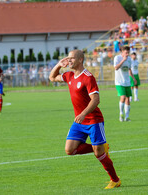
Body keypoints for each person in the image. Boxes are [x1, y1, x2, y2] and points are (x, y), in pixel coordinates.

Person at [49, 50, 121, 189]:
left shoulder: (88, 77)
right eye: (68, 59)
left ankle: (115, 180)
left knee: (99, 155)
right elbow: (52, 77)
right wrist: (59, 64)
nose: (69, 61)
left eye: (71, 59)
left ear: (80, 60)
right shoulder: (69, 75)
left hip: (94, 120)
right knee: (70, 150)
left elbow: (96, 100)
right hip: (80, 121)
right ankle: (101, 148)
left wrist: (83, 114)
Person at [114, 46, 137, 122]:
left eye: (128, 53)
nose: (127, 54)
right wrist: (123, 60)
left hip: (127, 82)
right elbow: (116, 68)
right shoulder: (117, 58)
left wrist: (133, 79)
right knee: (123, 97)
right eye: (125, 53)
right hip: (119, 82)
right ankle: (121, 114)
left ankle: (127, 117)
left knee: (128, 99)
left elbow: (129, 69)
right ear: (122, 52)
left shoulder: (129, 59)